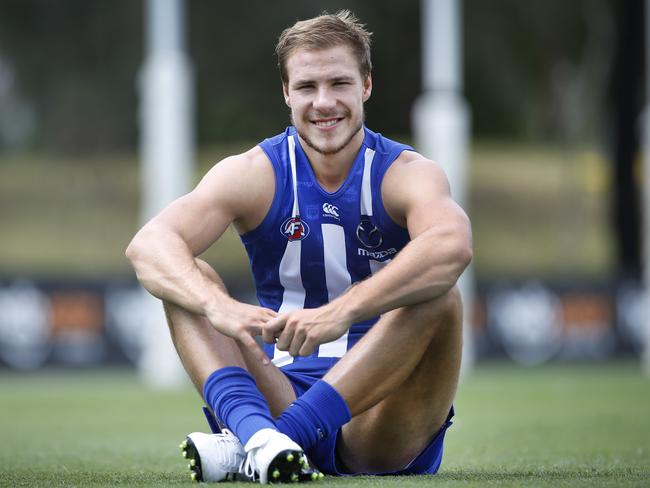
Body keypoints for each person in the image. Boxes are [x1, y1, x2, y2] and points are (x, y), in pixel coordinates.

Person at [126, 10, 472, 484]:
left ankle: (262, 442)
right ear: (287, 93)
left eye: (339, 84)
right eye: (307, 87)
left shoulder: (406, 174)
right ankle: (263, 439)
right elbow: (148, 245)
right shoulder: (254, 172)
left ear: (366, 86)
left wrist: (342, 312)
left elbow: (453, 245)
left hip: (376, 422)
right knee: (189, 279)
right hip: (276, 387)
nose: (324, 102)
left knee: (440, 293)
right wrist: (216, 306)